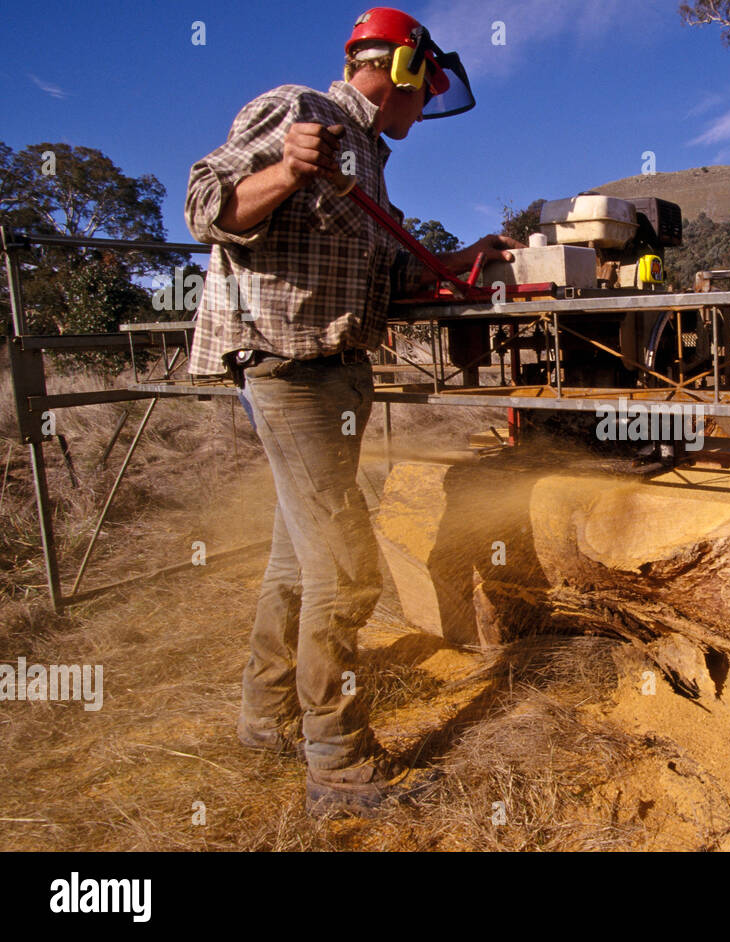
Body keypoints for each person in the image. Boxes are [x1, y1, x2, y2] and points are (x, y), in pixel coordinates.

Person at [184, 7, 521, 815]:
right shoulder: (301, 110)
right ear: (401, 70)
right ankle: (338, 766)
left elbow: (385, 271)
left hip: (337, 371)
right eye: (423, 90)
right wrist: (288, 171)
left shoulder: (366, 155)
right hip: (289, 369)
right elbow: (205, 206)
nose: (421, 111)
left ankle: (267, 720)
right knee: (346, 572)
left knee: (297, 564)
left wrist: (467, 260)